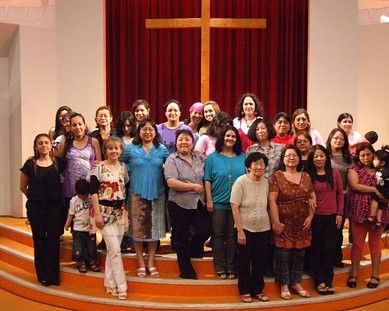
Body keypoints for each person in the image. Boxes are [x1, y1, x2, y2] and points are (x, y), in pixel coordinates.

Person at [121, 118, 170, 278]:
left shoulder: (161, 149)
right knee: (137, 229)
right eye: (144, 129)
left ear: (155, 132)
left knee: (154, 229)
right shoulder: (130, 148)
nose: (147, 132)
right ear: (139, 131)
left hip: (157, 193)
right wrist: (129, 170)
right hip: (136, 193)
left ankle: (151, 261)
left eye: (151, 129)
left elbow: (170, 165)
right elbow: (119, 163)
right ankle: (141, 262)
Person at [269, 145, 316, 300]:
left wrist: (310, 217)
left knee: (299, 254)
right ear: (283, 159)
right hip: (283, 223)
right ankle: (283, 284)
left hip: (302, 223)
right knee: (283, 255)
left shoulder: (306, 176)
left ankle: (296, 282)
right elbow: (272, 200)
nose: (291, 158)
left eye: (294, 155)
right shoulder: (277, 176)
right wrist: (275, 222)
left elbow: (312, 198)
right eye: (288, 155)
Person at [164, 130, 211, 279]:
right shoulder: (172, 159)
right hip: (179, 202)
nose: (184, 142)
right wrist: (192, 187)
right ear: (176, 143)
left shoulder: (200, 158)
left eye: (187, 139)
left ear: (193, 142)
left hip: (198, 201)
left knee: (205, 229)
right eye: (180, 140)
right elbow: (171, 182)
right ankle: (186, 271)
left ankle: (194, 249)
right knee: (181, 237)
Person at [20, 133, 64, 286]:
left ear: (51, 144)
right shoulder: (30, 164)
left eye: (46, 142)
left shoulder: (58, 163)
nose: (44, 145)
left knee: (53, 241)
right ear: (36, 146)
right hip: (36, 209)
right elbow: (22, 187)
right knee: (39, 241)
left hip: (55, 208)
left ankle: (53, 275)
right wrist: (35, 197)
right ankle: (43, 275)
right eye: (40, 143)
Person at [88, 137, 129, 300]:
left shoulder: (123, 168)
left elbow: (124, 187)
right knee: (116, 252)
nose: (114, 151)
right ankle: (122, 286)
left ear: (121, 151)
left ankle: (109, 283)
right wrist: (97, 214)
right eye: (110, 148)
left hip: (120, 212)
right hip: (104, 212)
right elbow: (93, 192)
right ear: (106, 150)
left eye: (117, 148)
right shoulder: (99, 167)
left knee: (113, 251)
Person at [204, 126, 246, 279]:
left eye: (233, 136)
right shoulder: (212, 158)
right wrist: (209, 200)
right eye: (227, 136)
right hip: (218, 203)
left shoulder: (243, 157)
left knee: (232, 236)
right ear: (222, 138)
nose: (230, 139)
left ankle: (231, 266)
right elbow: (207, 180)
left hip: (238, 205)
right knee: (219, 235)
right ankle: (220, 266)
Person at [347, 142, 388, 289]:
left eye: (369, 154)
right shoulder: (353, 169)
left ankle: (375, 275)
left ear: (374, 154)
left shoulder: (382, 170)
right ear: (357, 156)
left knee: (375, 244)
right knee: (358, 244)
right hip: (358, 212)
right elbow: (355, 185)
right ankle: (354, 274)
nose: (365, 158)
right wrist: (375, 190)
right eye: (362, 155)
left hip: (379, 213)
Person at [231, 152, 271, 303]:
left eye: (262, 164)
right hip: (245, 229)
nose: (259, 167)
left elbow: (268, 205)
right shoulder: (241, 182)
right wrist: (240, 230)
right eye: (255, 164)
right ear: (248, 166)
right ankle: (245, 291)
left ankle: (258, 290)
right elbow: (234, 206)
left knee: (260, 261)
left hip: (263, 229)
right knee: (244, 261)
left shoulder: (266, 182)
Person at [306, 145, 344, 295]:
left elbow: (340, 194)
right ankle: (319, 280)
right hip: (314, 217)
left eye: (321, 155)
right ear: (311, 158)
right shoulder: (307, 175)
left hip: (332, 217)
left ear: (326, 157)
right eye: (315, 156)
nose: (319, 158)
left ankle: (328, 280)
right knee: (315, 249)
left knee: (329, 249)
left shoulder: (334, 172)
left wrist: (340, 214)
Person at [56, 112, 102, 229]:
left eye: (80, 124)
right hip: (70, 186)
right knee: (74, 219)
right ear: (70, 127)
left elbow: (100, 163)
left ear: (85, 125)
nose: (78, 127)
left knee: (88, 218)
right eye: (74, 125)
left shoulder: (94, 141)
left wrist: (97, 164)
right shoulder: (66, 143)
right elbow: (57, 160)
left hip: (89, 185)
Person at [326, 127, 352, 267]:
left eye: (342, 139)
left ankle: (337, 257)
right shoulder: (324, 156)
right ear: (330, 139)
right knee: (328, 231)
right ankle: (327, 259)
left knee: (338, 229)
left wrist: (345, 191)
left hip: (344, 197)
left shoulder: (349, 158)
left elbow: (352, 178)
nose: (338, 141)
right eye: (336, 138)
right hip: (327, 199)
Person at [64, 179, 100, 274]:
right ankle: (81, 262)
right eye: (81, 195)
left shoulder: (91, 198)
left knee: (91, 246)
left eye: (85, 195)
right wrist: (67, 224)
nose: (83, 197)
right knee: (78, 247)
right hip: (78, 229)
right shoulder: (74, 201)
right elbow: (71, 214)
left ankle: (92, 261)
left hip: (90, 228)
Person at [363, 146, 389, 230]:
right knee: (381, 206)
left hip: (383, 190)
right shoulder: (381, 170)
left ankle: (372, 215)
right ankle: (378, 221)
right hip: (384, 191)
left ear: (382, 163)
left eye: (375, 159)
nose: (373, 161)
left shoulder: (383, 172)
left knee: (374, 200)